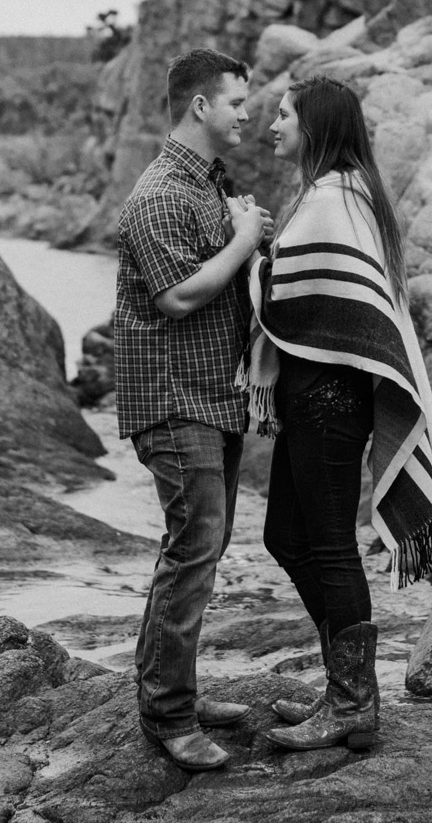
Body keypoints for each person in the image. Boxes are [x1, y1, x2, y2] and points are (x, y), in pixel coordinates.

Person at [243, 75, 432, 753]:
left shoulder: (336, 200)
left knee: (330, 545)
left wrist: (248, 251)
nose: (273, 124)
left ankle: (354, 704)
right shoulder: (334, 193)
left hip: (330, 402)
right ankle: (343, 685)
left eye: (284, 115)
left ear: (317, 126)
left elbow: (288, 297)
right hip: (315, 398)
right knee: (285, 536)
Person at [113, 47, 274, 771]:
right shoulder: (157, 195)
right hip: (175, 401)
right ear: (201, 106)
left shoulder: (207, 185)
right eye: (238, 101)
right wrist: (244, 240)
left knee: (194, 551)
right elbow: (177, 296)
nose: (250, 112)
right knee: (195, 550)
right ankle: (170, 718)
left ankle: (169, 692)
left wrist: (241, 230)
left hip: (216, 397)